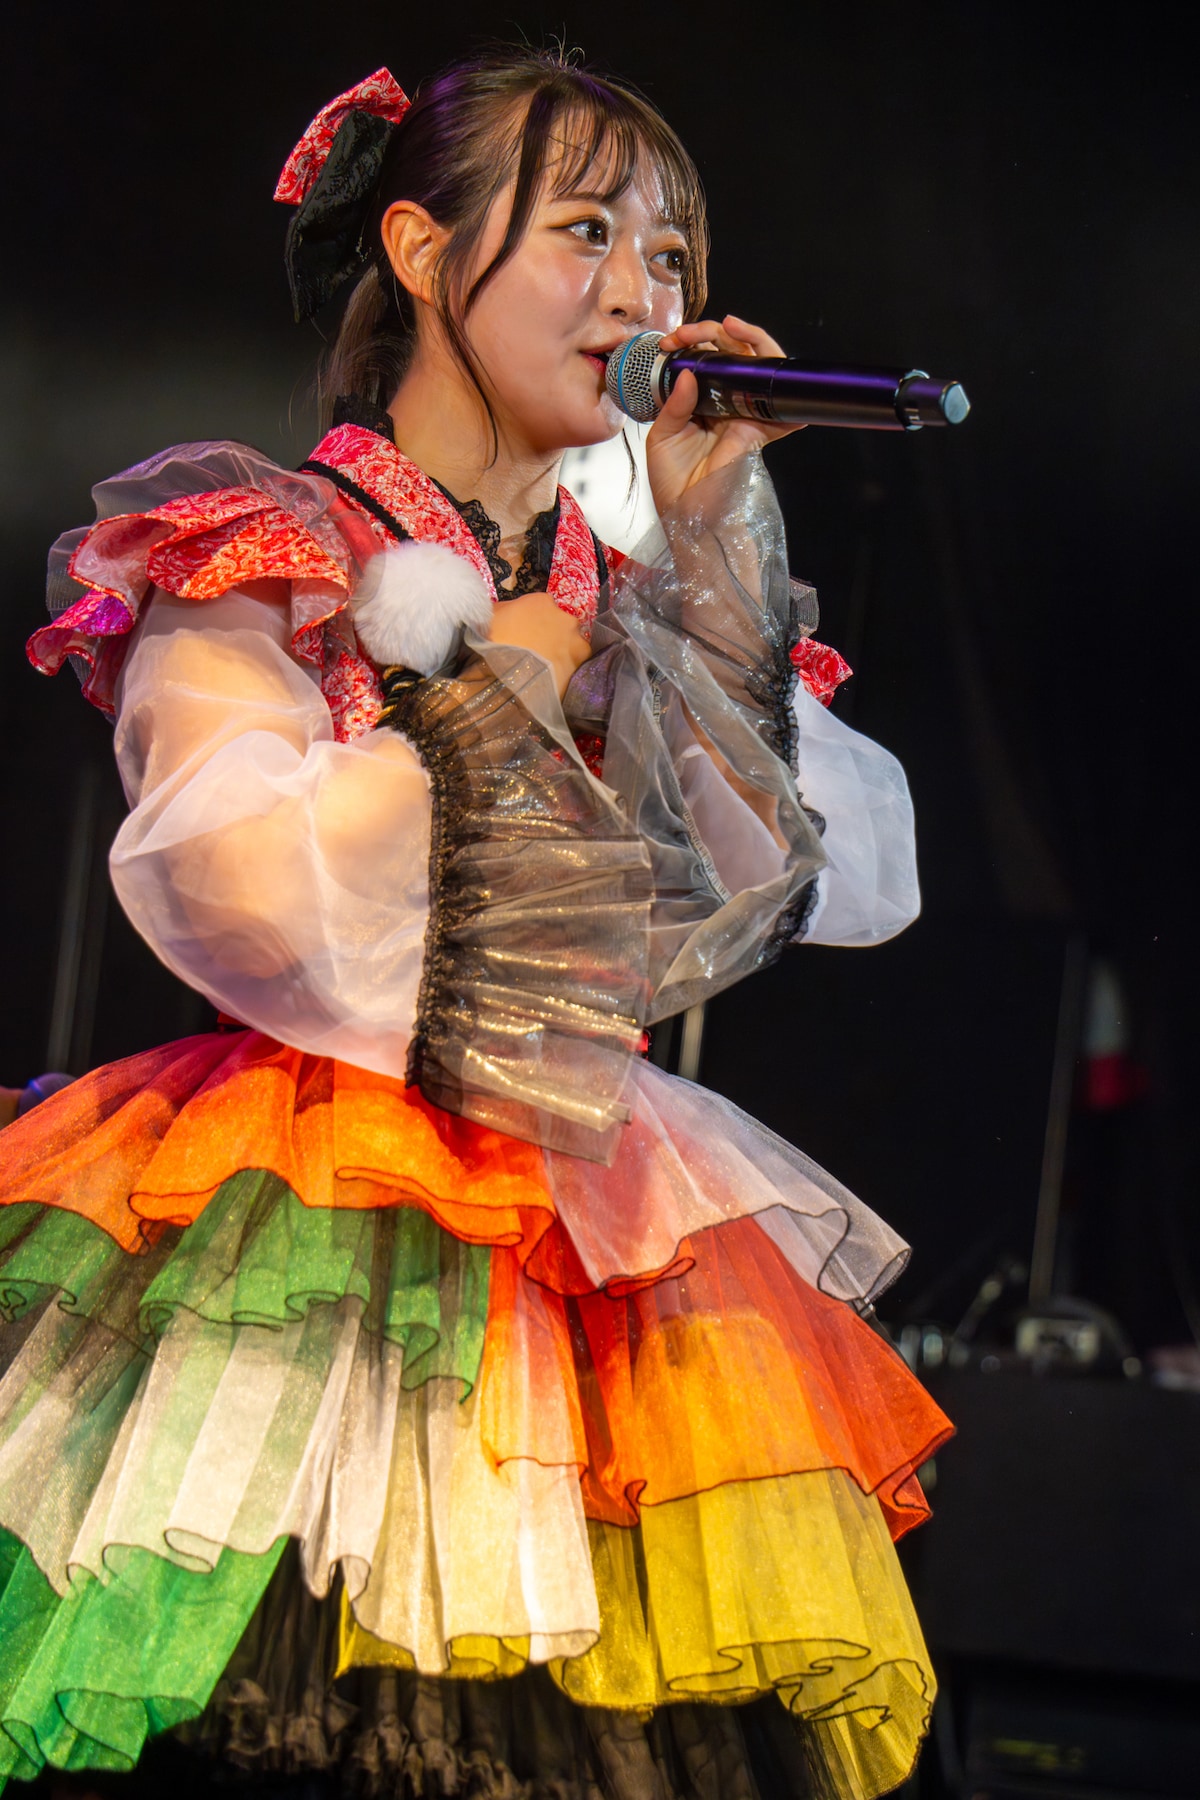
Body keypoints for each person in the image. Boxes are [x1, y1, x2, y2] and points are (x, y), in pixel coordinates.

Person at [0, 49, 951, 1800]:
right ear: (427, 252)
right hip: (305, 1202)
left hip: (584, 1212)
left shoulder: (646, 599)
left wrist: (715, 541)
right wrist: (499, 680)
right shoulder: (276, 539)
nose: (642, 292)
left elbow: (830, 879)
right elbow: (234, 882)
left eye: (670, 254)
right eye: (586, 232)